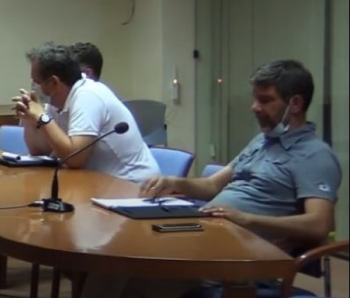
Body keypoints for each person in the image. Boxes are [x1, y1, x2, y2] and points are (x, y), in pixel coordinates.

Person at [82, 59, 343, 298]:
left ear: (295, 104)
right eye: (255, 99)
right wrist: (175, 182)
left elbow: (320, 224)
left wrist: (246, 219)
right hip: (206, 235)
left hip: (237, 258)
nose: (254, 107)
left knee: (126, 268)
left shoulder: (314, 155)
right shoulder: (262, 142)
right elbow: (212, 185)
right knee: (116, 254)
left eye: (265, 100)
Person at [13, 42, 159, 182]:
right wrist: (29, 118)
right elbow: (40, 151)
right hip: (100, 183)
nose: (33, 87)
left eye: (36, 82)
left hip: (134, 185)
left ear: (53, 83)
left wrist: (42, 116)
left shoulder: (88, 95)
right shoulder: (56, 101)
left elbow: (75, 159)